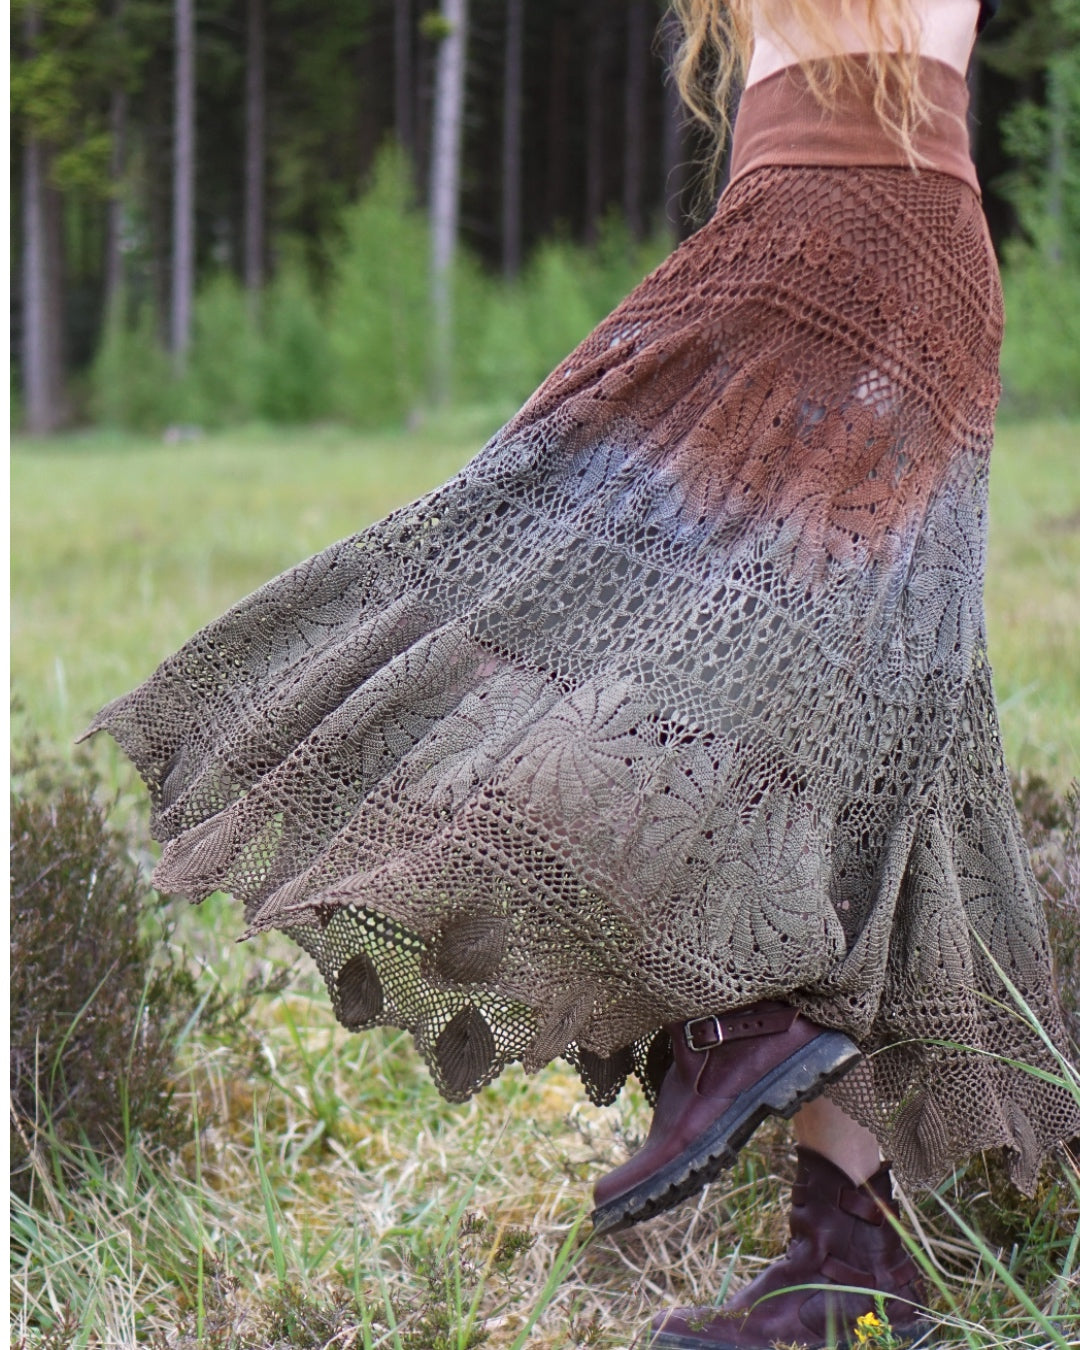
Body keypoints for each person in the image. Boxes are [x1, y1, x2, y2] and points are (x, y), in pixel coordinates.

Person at [86, 2, 1080, 1346]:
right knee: (879, 747)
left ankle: (752, 1011)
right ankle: (843, 1254)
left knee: (593, 585)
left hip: (833, 235)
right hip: (908, 249)